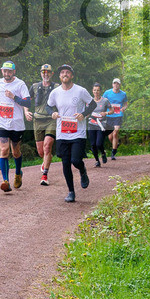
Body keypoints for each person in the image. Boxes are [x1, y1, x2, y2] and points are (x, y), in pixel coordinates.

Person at [45, 64, 94, 203]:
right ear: (59, 76)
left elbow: (93, 105)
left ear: (72, 75)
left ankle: (82, 169)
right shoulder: (55, 92)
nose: (65, 74)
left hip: (78, 132)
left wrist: (83, 114)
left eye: (67, 72)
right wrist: (52, 113)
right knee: (65, 163)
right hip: (62, 132)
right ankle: (71, 192)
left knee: (76, 160)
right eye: (62, 72)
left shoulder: (80, 91)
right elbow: (48, 106)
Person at [0, 62, 31, 192]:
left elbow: (28, 102)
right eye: (4, 71)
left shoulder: (20, 84)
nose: (6, 74)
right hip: (1, 121)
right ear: (2, 71)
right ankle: (5, 181)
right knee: (4, 150)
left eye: (9, 71)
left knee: (15, 151)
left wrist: (14, 97)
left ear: (14, 72)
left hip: (16, 122)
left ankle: (18, 173)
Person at [25, 64, 56, 186]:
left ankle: (45, 175)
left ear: (52, 74)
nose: (46, 74)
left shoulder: (56, 87)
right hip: (37, 120)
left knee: (47, 146)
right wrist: (26, 111)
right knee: (41, 151)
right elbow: (27, 100)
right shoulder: (34, 86)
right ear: (41, 73)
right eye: (44, 72)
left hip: (51, 119)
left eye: (48, 72)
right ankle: (46, 160)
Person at [102, 78, 129, 160]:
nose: (116, 85)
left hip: (118, 115)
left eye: (117, 84)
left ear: (119, 85)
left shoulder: (123, 94)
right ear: (112, 84)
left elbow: (125, 103)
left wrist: (124, 108)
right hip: (109, 115)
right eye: (114, 83)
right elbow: (102, 101)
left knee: (115, 132)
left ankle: (113, 153)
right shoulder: (107, 93)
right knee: (110, 137)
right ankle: (116, 144)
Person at [87, 83, 110, 167]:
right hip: (92, 124)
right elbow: (87, 111)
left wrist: (106, 113)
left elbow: (112, 110)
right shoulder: (89, 101)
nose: (96, 92)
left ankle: (103, 153)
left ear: (100, 91)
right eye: (94, 90)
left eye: (98, 90)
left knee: (99, 144)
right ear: (92, 91)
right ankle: (97, 160)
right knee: (93, 144)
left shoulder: (105, 100)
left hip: (101, 124)